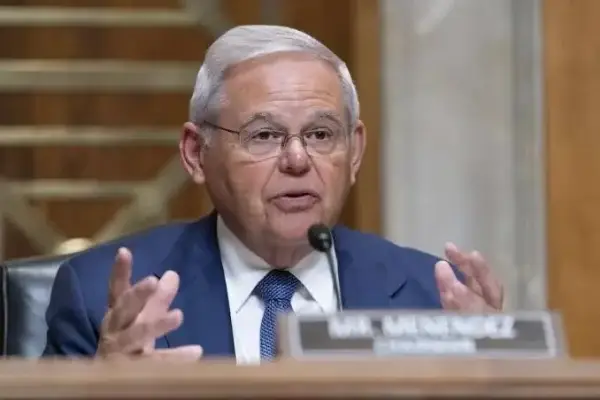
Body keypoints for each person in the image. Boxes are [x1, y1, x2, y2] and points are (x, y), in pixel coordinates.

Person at [42, 25, 504, 364]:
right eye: (263, 135)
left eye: (321, 134)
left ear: (355, 151)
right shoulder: (98, 299)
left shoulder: (433, 299)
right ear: (196, 153)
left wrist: (496, 378)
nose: (298, 160)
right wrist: (101, 391)